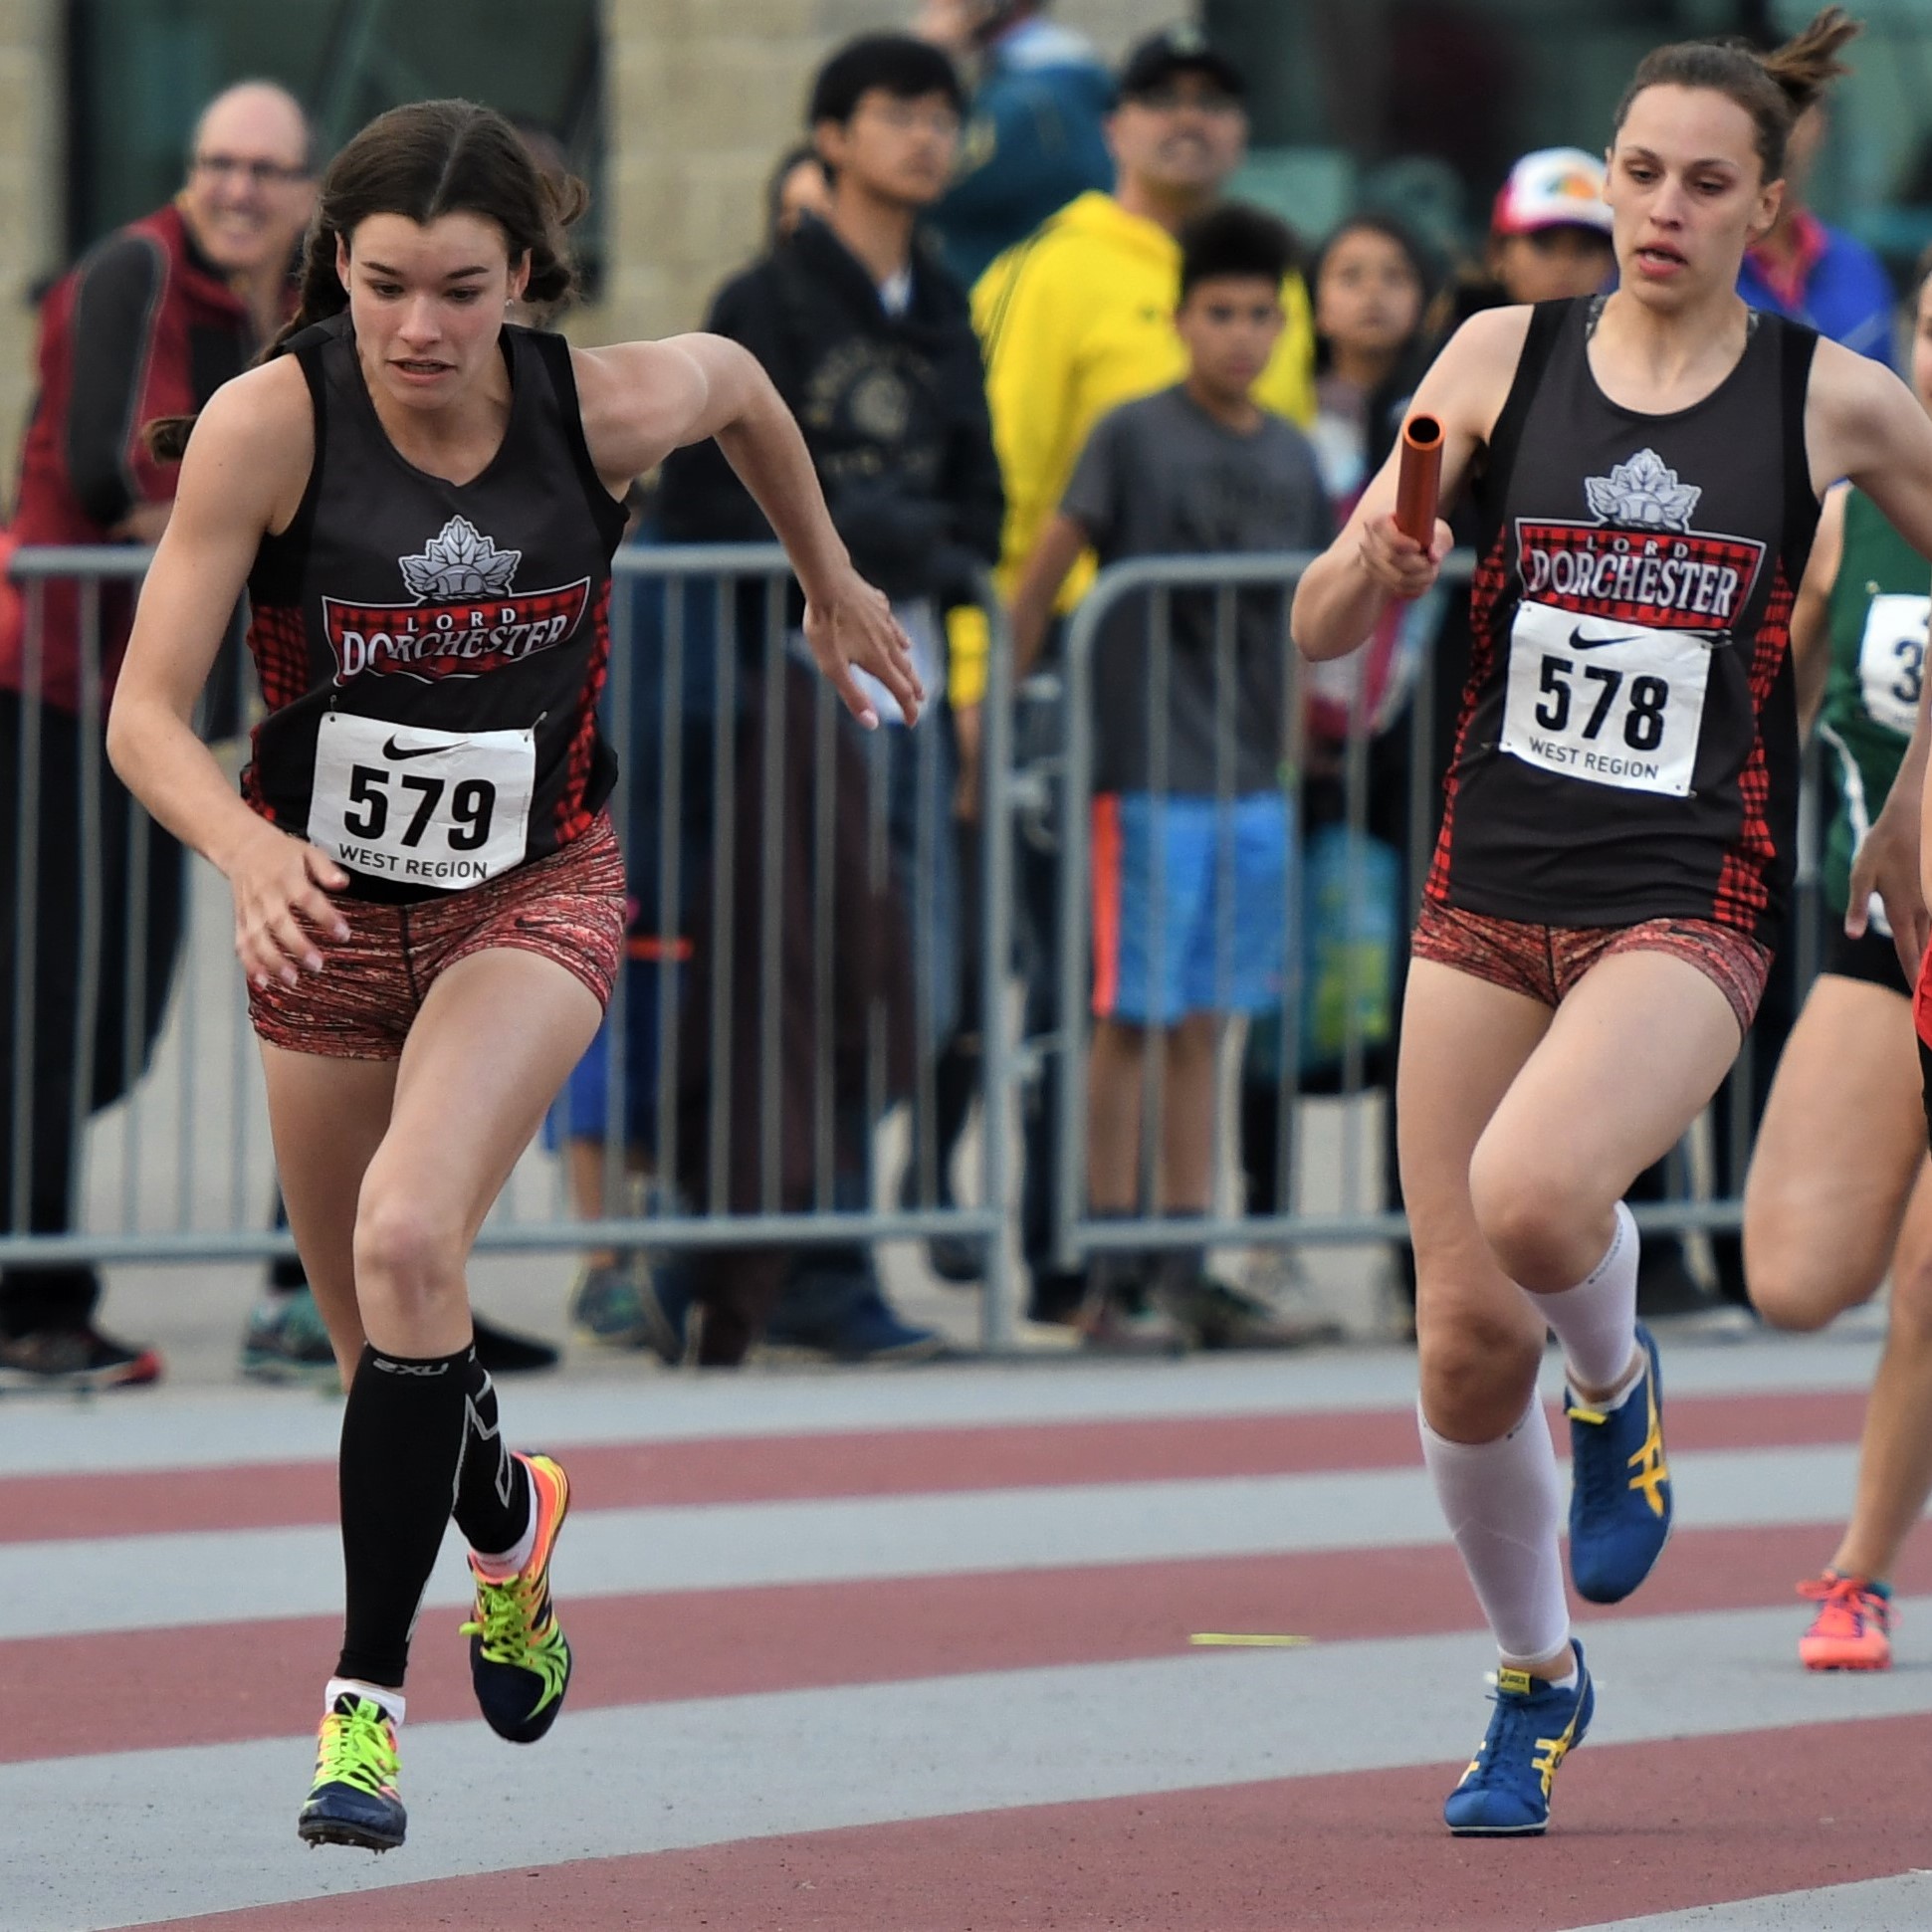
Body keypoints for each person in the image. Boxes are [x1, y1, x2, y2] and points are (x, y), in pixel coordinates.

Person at [105, 98, 921, 1851]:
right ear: (335, 268)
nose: (417, 328)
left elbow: (748, 390)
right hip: (322, 916)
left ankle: (360, 1714)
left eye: (461, 292)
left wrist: (828, 579)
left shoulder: (597, 406)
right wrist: (250, 854)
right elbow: (143, 718)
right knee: (377, 1350)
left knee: (414, 1242)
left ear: (527, 283)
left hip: (527, 892)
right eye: (384, 284)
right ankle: (508, 1510)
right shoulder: (272, 427)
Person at [1293, 7, 1932, 1836]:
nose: (1658, 208)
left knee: (1537, 1196)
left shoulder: (1831, 395)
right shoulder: (1500, 353)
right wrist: (1376, 565)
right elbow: (1317, 628)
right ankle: (1534, 1682)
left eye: (1701, 184)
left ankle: (1620, 1380)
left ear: (1767, 208)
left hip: (1686, 892)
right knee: (1453, 1343)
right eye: (1636, 172)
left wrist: (1910, 795)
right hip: (1483, 886)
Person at [659, 33, 1001, 1362]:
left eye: (940, 115)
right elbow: (699, 497)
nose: (923, 136)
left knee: (898, 976)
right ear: (831, 136)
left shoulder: (943, 300)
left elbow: (982, 501)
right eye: (895, 113)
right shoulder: (763, 298)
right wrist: (852, 544)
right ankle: (786, 1264)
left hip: (906, 684)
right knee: (794, 976)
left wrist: (880, 537)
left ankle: (803, 1255)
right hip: (783, 693)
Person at [972, 23, 1316, 1330]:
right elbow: (1040, 556)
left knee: (1210, 1016)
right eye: (1217, 312)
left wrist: (1303, 728)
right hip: (1136, 766)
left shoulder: (1292, 450)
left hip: (1248, 769)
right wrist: (1000, 700)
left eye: (1256, 315)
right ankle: (1104, 1241)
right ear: (1179, 318)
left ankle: (1185, 1245)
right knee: (1126, 1006)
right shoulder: (1127, 426)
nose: (1238, 333)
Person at [0, 82, 313, 1390]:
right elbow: (112, 473)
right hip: (56, 683)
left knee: (116, 1021)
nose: (237, 189)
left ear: (302, 192)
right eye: (217, 163)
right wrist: (278, 513)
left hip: (154, 709)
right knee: (52, 1008)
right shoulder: (132, 270)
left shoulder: (264, 308)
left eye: (265, 171)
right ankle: (35, 1305)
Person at [1742, 247, 1932, 1673]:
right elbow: (1778, 698)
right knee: (1795, 1279)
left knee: (1928, 1287)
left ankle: (1856, 1569)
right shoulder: (1859, 509)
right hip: (1880, 946)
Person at [914, 0, 1113, 287]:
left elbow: (926, 185)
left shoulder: (1031, 97)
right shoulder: (1048, 75)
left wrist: (928, 61)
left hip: (1013, 298)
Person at [1737, 100, 1894, 364]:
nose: (1780, 131)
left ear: (1819, 125)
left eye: (1793, 107)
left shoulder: (1859, 268)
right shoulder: (1701, 273)